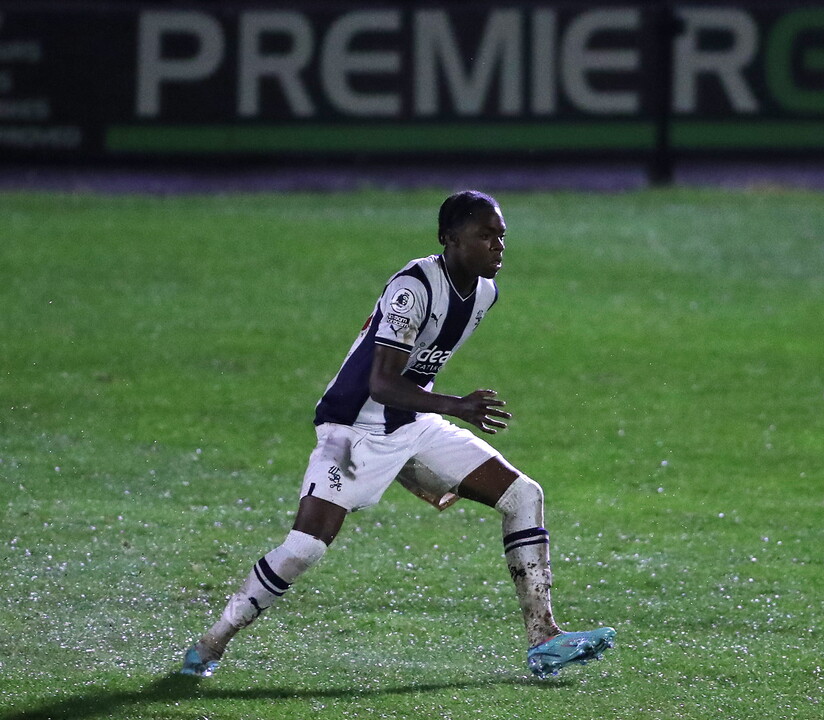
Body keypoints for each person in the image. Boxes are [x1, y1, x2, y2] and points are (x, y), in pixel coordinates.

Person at [181, 190, 615, 679]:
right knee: (305, 547)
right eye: (485, 235)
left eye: (502, 236)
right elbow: (381, 383)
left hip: (411, 424)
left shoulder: (486, 293)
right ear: (449, 239)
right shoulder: (413, 288)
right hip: (349, 431)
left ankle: (544, 638)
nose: (498, 246)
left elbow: (413, 379)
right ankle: (212, 642)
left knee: (522, 495)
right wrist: (456, 407)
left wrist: (412, 461)